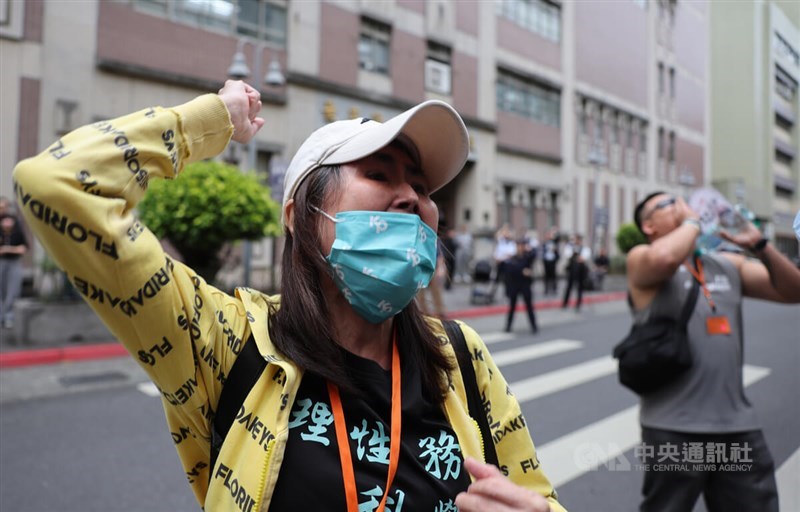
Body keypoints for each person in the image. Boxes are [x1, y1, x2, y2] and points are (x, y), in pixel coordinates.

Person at [13, 81, 564, 512]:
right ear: (301, 216)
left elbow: (537, 495)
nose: (412, 199)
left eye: (422, 187)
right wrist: (210, 122)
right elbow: (57, 184)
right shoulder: (227, 341)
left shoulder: (461, 357)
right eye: (379, 174)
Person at [627, 191, 800, 512]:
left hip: (737, 426)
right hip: (672, 429)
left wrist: (760, 245)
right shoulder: (642, 258)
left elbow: (794, 292)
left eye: (681, 199)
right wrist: (693, 220)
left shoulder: (726, 264)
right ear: (649, 226)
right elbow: (665, 259)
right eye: (669, 204)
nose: (681, 205)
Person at [503, 239, 538, 334]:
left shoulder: (527, 257)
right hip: (515, 285)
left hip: (525, 285)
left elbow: (535, 254)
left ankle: (534, 326)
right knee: (512, 306)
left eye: (522, 246)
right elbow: (510, 270)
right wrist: (522, 271)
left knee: (529, 306)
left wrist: (529, 249)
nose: (520, 248)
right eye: (519, 246)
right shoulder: (513, 258)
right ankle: (508, 326)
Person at [0, 209, 28, 328]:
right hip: (1, 263)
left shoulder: (18, 234)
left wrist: (7, 249)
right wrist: (13, 249)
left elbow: (23, 249)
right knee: (1, 290)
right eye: (4, 221)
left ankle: (9, 316)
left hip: (14, 262)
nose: (7, 223)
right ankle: (2, 316)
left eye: (9, 220)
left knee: (13, 290)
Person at [561, 234, 591, 312]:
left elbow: (584, 258)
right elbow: (568, 255)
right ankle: (565, 303)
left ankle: (578, 303)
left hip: (581, 270)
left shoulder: (584, 249)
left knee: (580, 287)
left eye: (578, 240)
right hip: (572, 270)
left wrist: (579, 258)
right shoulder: (571, 247)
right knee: (569, 287)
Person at [490, 223, 516, 298]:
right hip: (499, 263)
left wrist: (501, 258)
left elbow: (511, 254)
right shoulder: (500, 241)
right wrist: (496, 258)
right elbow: (497, 251)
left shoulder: (511, 242)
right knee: (496, 279)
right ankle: (493, 294)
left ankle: (508, 294)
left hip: (507, 264)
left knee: (507, 280)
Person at [541, 228, 560, 296]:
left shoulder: (554, 242)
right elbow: (542, 252)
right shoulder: (544, 243)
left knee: (553, 276)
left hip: (553, 261)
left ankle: (554, 289)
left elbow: (558, 239)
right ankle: (546, 289)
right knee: (546, 276)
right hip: (546, 261)